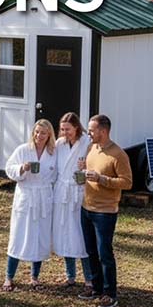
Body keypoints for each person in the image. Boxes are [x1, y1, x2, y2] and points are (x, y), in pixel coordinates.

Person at [79, 115, 133, 307]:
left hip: (105, 212)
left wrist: (102, 179)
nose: (89, 133)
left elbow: (127, 182)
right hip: (86, 208)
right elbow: (89, 170)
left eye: (92, 130)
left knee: (104, 253)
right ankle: (96, 287)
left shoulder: (118, 154)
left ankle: (110, 295)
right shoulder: (92, 148)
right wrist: (82, 171)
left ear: (103, 131)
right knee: (91, 251)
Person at [3, 119, 57, 291]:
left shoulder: (53, 152)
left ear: (49, 135)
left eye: (43, 133)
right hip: (26, 196)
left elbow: (58, 174)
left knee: (39, 237)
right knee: (18, 236)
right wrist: (22, 168)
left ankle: (34, 277)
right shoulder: (23, 150)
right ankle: (9, 277)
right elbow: (8, 168)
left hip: (43, 197)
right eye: (36, 132)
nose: (39, 136)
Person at [52, 112, 93, 289]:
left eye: (67, 129)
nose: (64, 132)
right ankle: (70, 275)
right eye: (62, 129)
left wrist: (87, 167)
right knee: (64, 235)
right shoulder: (59, 144)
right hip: (62, 193)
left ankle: (89, 277)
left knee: (80, 235)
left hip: (79, 192)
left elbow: (97, 163)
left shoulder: (87, 143)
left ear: (76, 127)